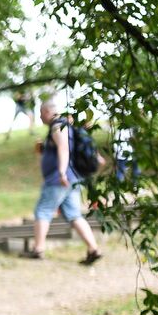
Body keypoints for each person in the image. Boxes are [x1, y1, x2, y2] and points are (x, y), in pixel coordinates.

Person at [21, 100, 102, 265]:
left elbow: (63, 148)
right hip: (72, 178)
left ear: (46, 112)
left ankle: (38, 249)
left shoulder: (58, 126)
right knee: (74, 215)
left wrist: (61, 172)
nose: (40, 117)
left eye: (41, 113)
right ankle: (93, 249)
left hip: (60, 179)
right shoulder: (66, 125)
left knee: (42, 211)